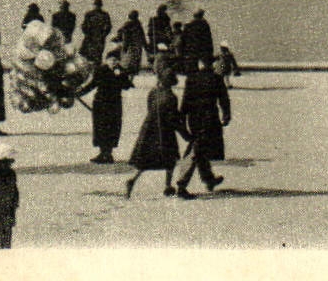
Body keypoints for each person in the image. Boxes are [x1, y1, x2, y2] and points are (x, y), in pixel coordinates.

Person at [175, 54, 231, 198]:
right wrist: (226, 115)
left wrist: (182, 119)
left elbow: (185, 101)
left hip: (194, 119)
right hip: (210, 119)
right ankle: (181, 184)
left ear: (200, 63)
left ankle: (208, 178)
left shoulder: (191, 79)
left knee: (200, 148)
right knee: (196, 150)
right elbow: (224, 99)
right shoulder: (216, 79)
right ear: (211, 64)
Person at [125, 68, 183, 198]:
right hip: (165, 131)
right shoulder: (172, 97)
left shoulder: (153, 92)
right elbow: (173, 117)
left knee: (145, 160)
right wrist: (185, 133)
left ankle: (132, 180)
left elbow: (149, 108)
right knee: (170, 158)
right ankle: (167, 185)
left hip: (149, 129)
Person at [82, 49, 133, 163]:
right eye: (111, 60)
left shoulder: (121, 71)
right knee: (100, 127)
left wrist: (120, 75)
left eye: (116, 60)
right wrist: (80, 92)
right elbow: (92, 84)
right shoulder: (101, 70)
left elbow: (127, 86)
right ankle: (102, 153)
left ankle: (108, 153)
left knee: (113, 127)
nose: (114, 62)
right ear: (106, 60)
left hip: (114, 104)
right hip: (101, 103)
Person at [80, 0, 112, 66]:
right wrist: (87, 33)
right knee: (86, 55)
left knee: (98, 55)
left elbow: (108, 26)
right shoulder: (89, 14)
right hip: (89, 37)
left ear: (100, 6)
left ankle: (96, 71)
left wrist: (103, 35)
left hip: (99, 38)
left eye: (98, 5)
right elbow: (83, 25)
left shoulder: (105, 15)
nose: (96, 6)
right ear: (93, 5)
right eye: (95, 5)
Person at [116, 10, 147, 79]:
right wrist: (146, 46)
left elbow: (125, 37)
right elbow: (143, 37)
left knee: (126, 63)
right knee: (134, 64)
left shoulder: (127, 25)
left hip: (130, 47)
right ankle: (130, 78)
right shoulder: (139, 25)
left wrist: (124, 47)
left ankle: (125, 78)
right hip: (138, 47)